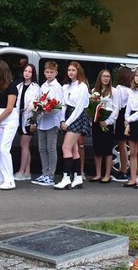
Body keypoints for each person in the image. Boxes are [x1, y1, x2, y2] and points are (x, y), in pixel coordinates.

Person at [54, 61, 90, 190]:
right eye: (69, 70)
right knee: (74, 150)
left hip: (77, 117)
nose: (71, 72)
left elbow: (79, 108)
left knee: (66, 147)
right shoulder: (66, 86)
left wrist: (68, 122)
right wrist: (62, 120)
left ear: (78, 71)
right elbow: (63, 105)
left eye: (73, 70)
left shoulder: (82, 86)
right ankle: (78, 177)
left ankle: (66, 178)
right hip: (68, 115)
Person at [0, 60, 19, 190]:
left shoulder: (12, 86)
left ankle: (10, 180)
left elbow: (9, 108)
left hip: (9, 120)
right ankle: (0, 177)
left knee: (5, 149)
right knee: (0, 149)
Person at [32, 61, 63, 186]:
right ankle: (44, 172)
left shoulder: (57, 87)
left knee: (51, 148)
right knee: (42, 148)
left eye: (51, 72)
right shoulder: (43, 86)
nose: (49, 74)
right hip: (42, 121)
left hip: (52, 121)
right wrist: (39, 110)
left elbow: (59, 105)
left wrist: (48, 109)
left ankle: (50, 174)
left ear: (56, 73)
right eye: (47, 72)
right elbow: (40, 101)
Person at [14, 63, 40, 182]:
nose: (27, 73)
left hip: (30, 119)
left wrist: (34, 122)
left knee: (24, 144)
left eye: (29, 71)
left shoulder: (36, 87)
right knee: (26, 146)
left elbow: (38, 106)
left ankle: (21, 171)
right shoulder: (19, 86)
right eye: (25, 71)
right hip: (19, 118)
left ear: (33, 74)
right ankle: (27, 172)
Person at [91, 69, 117, 183]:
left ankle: (107, 175)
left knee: (107, 150)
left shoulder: (114, 91)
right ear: (100, 78)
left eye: (108, 76)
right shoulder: (94, 91)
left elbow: (116, 109)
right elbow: (92, 107)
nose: (106, 78)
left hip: (107, 123)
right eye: (104, 76)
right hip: (96, 122)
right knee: (97, 149)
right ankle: (98, 174)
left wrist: (107, 121)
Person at [111, 65, 133, 182]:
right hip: (128, 116)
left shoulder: (119, 88)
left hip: (121, 116)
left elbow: (117, 104)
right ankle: (126, 170)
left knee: (122, 144)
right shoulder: (131, 90)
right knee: (126, 145)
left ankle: (123, 171)